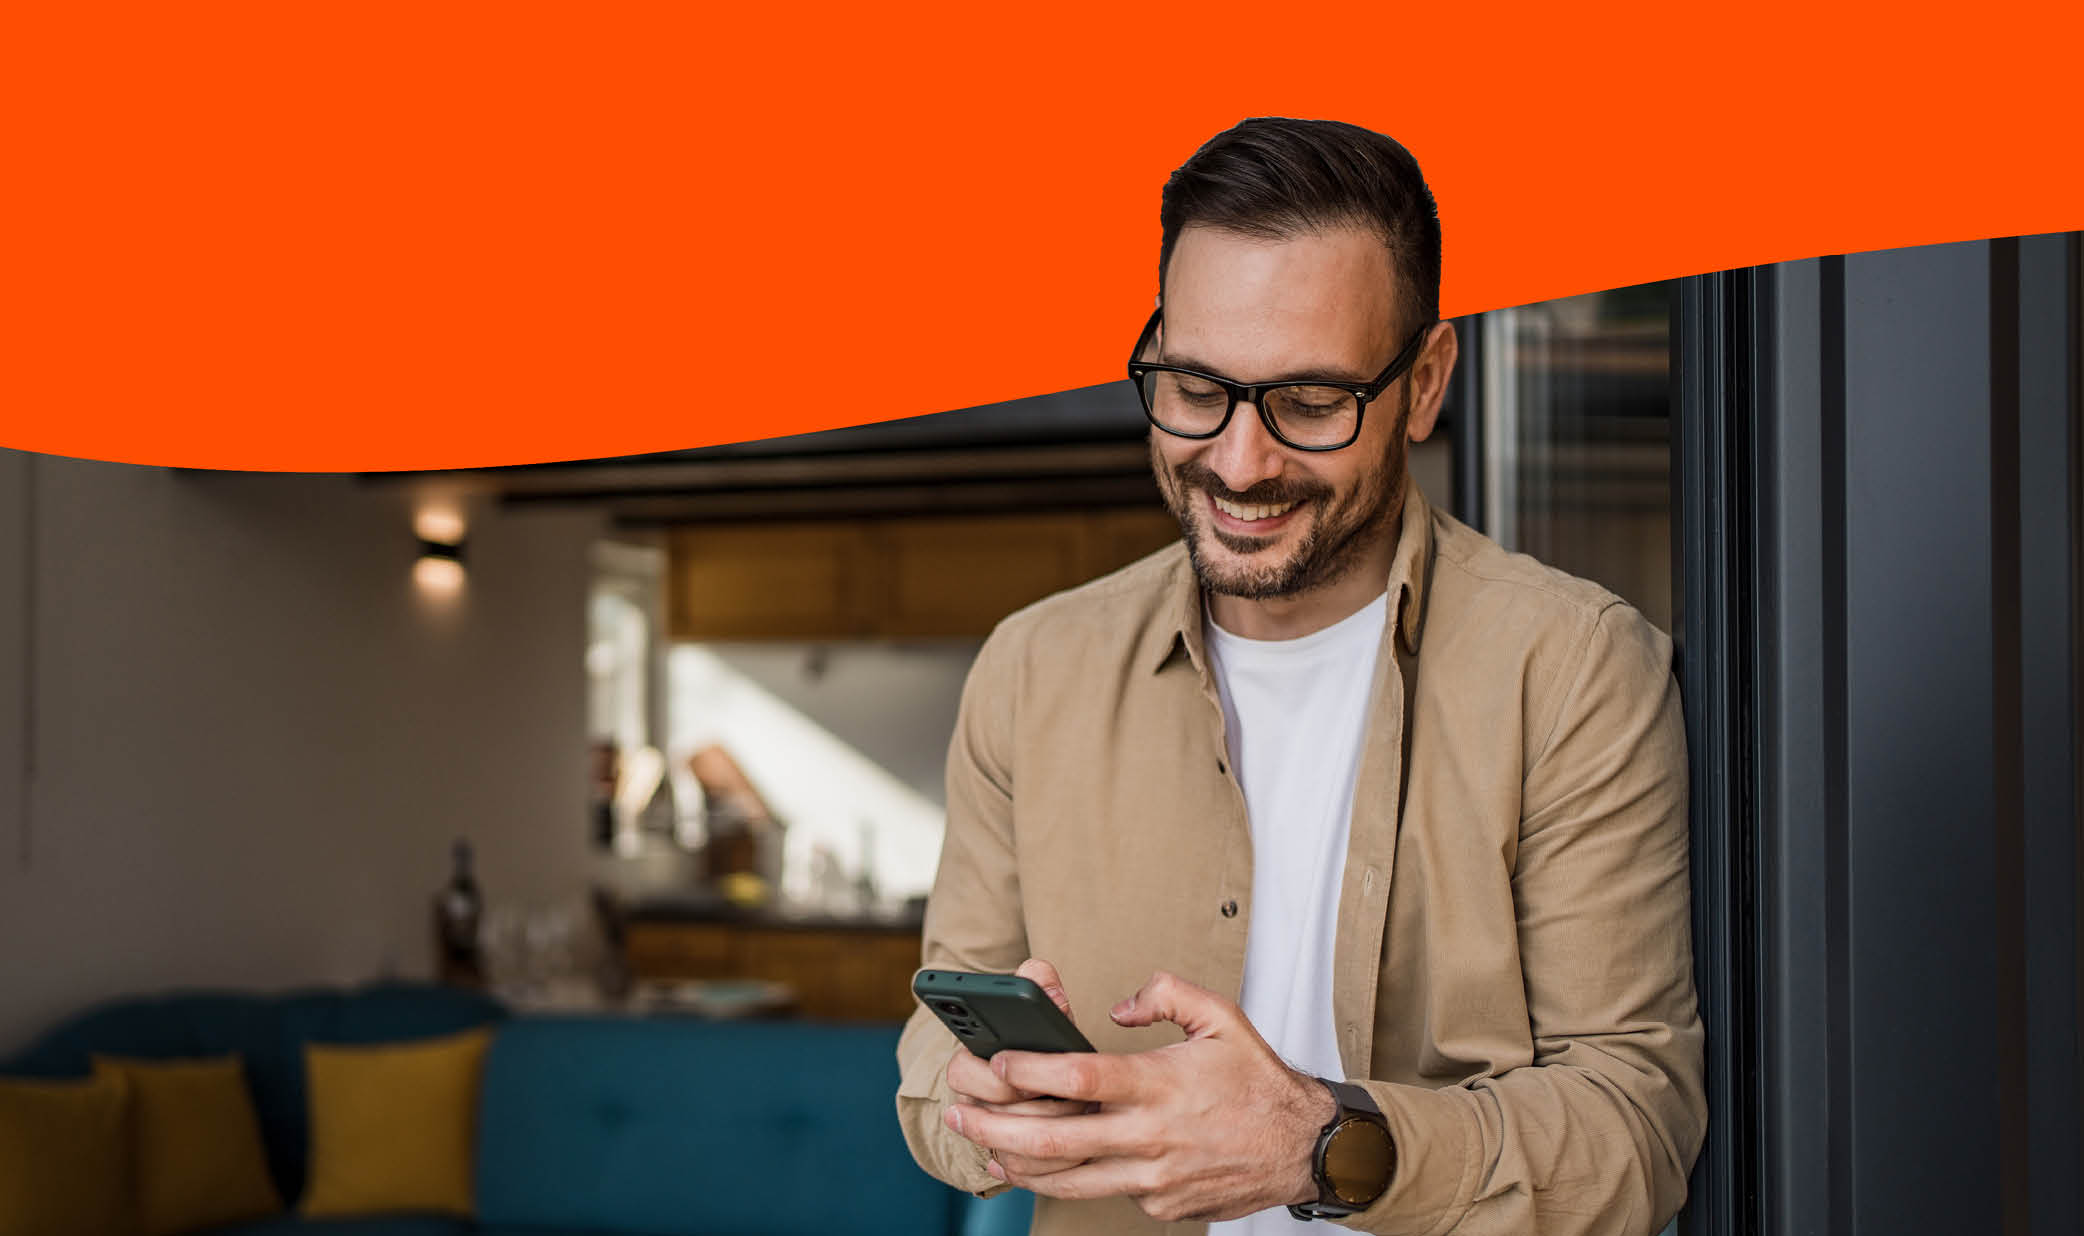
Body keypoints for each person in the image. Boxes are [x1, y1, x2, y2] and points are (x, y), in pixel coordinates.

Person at [895, 117, 1704, 1236]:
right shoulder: (1030, 671)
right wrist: (983, 1108)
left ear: (1424, 384)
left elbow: (1633, 1130)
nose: (1239, 462)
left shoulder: (1572, 672)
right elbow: (932, 1053)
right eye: (1194, 387)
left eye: (1311, 404)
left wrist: (1319, 1145)